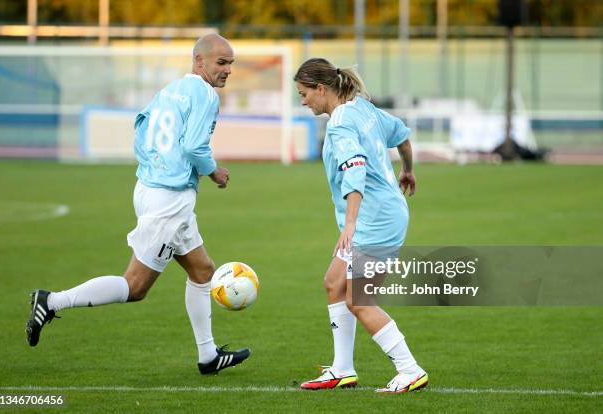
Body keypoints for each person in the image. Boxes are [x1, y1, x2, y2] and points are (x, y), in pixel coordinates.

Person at [26, 34, 250, 375]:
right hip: (169, 200)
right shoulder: (204, 94)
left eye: (231, 63)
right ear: (199, 61)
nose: (228, 70)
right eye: (222, 63)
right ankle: (52, 301)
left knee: (203, 271)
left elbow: (141, 126)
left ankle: (208, 356)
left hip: (150, 187)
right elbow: (193, 146)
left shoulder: (170, 90)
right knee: (135, 286)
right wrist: (213, 172)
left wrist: (154, 166)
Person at [294, 58, 428, 394]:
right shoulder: (362, 109)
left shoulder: (340, 124)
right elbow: (403, 135)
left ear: (321, 89)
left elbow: (354, 172)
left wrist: (350, 225)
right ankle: (342, 369)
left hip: (374, 220)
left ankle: (409, 369)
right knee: (334, 284)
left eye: (304, 93)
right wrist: (408, 169)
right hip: (383, 213)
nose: (302, 100)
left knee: (359, 299)